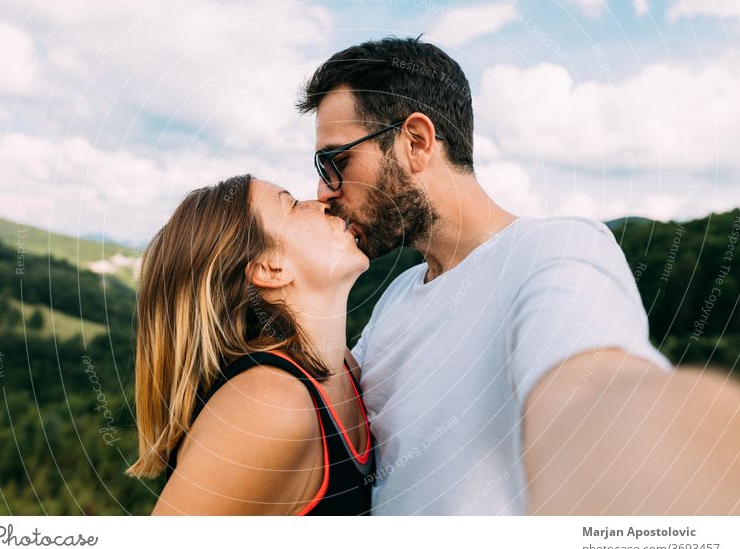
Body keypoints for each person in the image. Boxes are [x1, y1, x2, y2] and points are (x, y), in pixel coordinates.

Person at [297, 36, 740, 515]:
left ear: (416, 142)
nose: (323, 191)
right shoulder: (398, 295)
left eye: (336, 162)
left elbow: (591, 396)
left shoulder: (556, 253)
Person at [126, 174, 374, 515]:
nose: (323, 203)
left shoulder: (347, 368)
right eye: (295, 205)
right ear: (270, 269)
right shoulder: (269, 405)